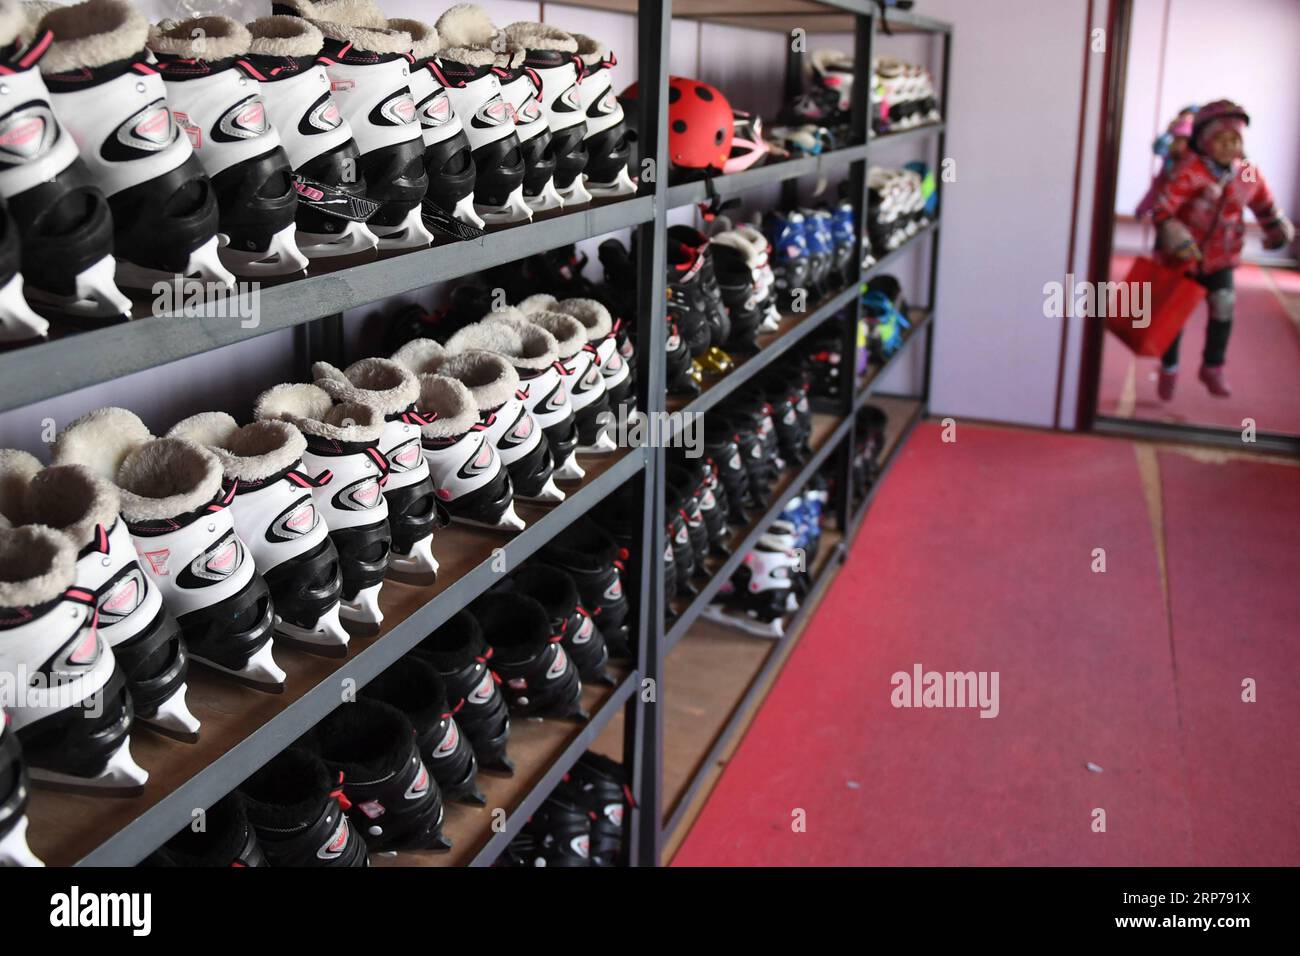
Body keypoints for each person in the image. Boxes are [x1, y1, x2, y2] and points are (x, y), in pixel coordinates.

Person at [1149, 100, 1294, 400]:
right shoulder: (1190, 170)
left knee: (1224, 305)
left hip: (1221, 257)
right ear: (1204, 141)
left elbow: (1264, 204)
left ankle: (1212, 366)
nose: (1229, 146)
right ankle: (1169, 366)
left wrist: (1276, 228)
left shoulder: (1247, 174)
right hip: (1185, 257)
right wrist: (1176, 236)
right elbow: (1163, 209)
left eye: (1235, 140)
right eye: (1221, 140)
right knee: (1175, 315)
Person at [1135, 105, 1197, 220]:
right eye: (1177, 139)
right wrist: (1142, 208)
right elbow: (1158, 148)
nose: (1180, 144)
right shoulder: (1169, 160)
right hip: (1167, 215)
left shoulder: (1198, 164)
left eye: (1185, 139)